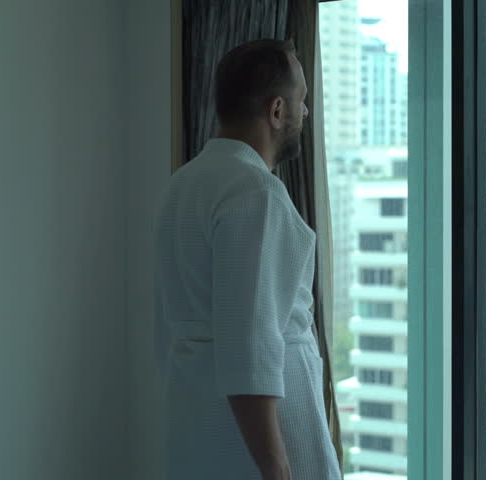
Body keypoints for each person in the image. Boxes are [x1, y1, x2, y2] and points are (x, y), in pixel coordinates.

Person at [151, 39, 341, 480]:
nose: (305, 112)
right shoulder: (256, 192)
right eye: (301, 101)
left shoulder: (181, 185)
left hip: (194, 417)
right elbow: (250, 342)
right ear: (277, 110)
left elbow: (164, 326)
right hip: (266, 436)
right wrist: (275, 465)